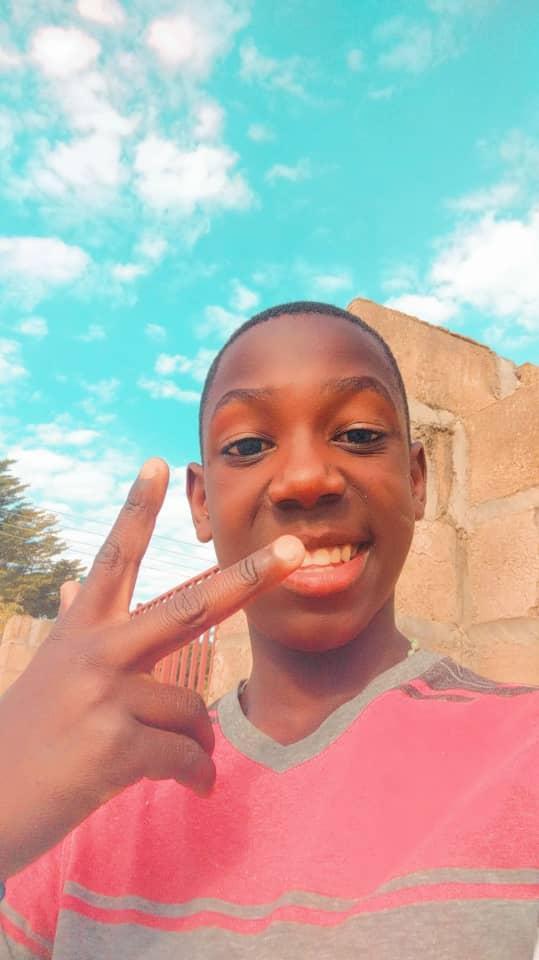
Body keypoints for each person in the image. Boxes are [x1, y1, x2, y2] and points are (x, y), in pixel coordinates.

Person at [0, 302, 537, 959]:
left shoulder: (524, 754)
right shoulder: (84, 796)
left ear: (417, 479)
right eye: (249, 446)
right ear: (201, 502)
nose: (306, 479)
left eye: (359, 434)